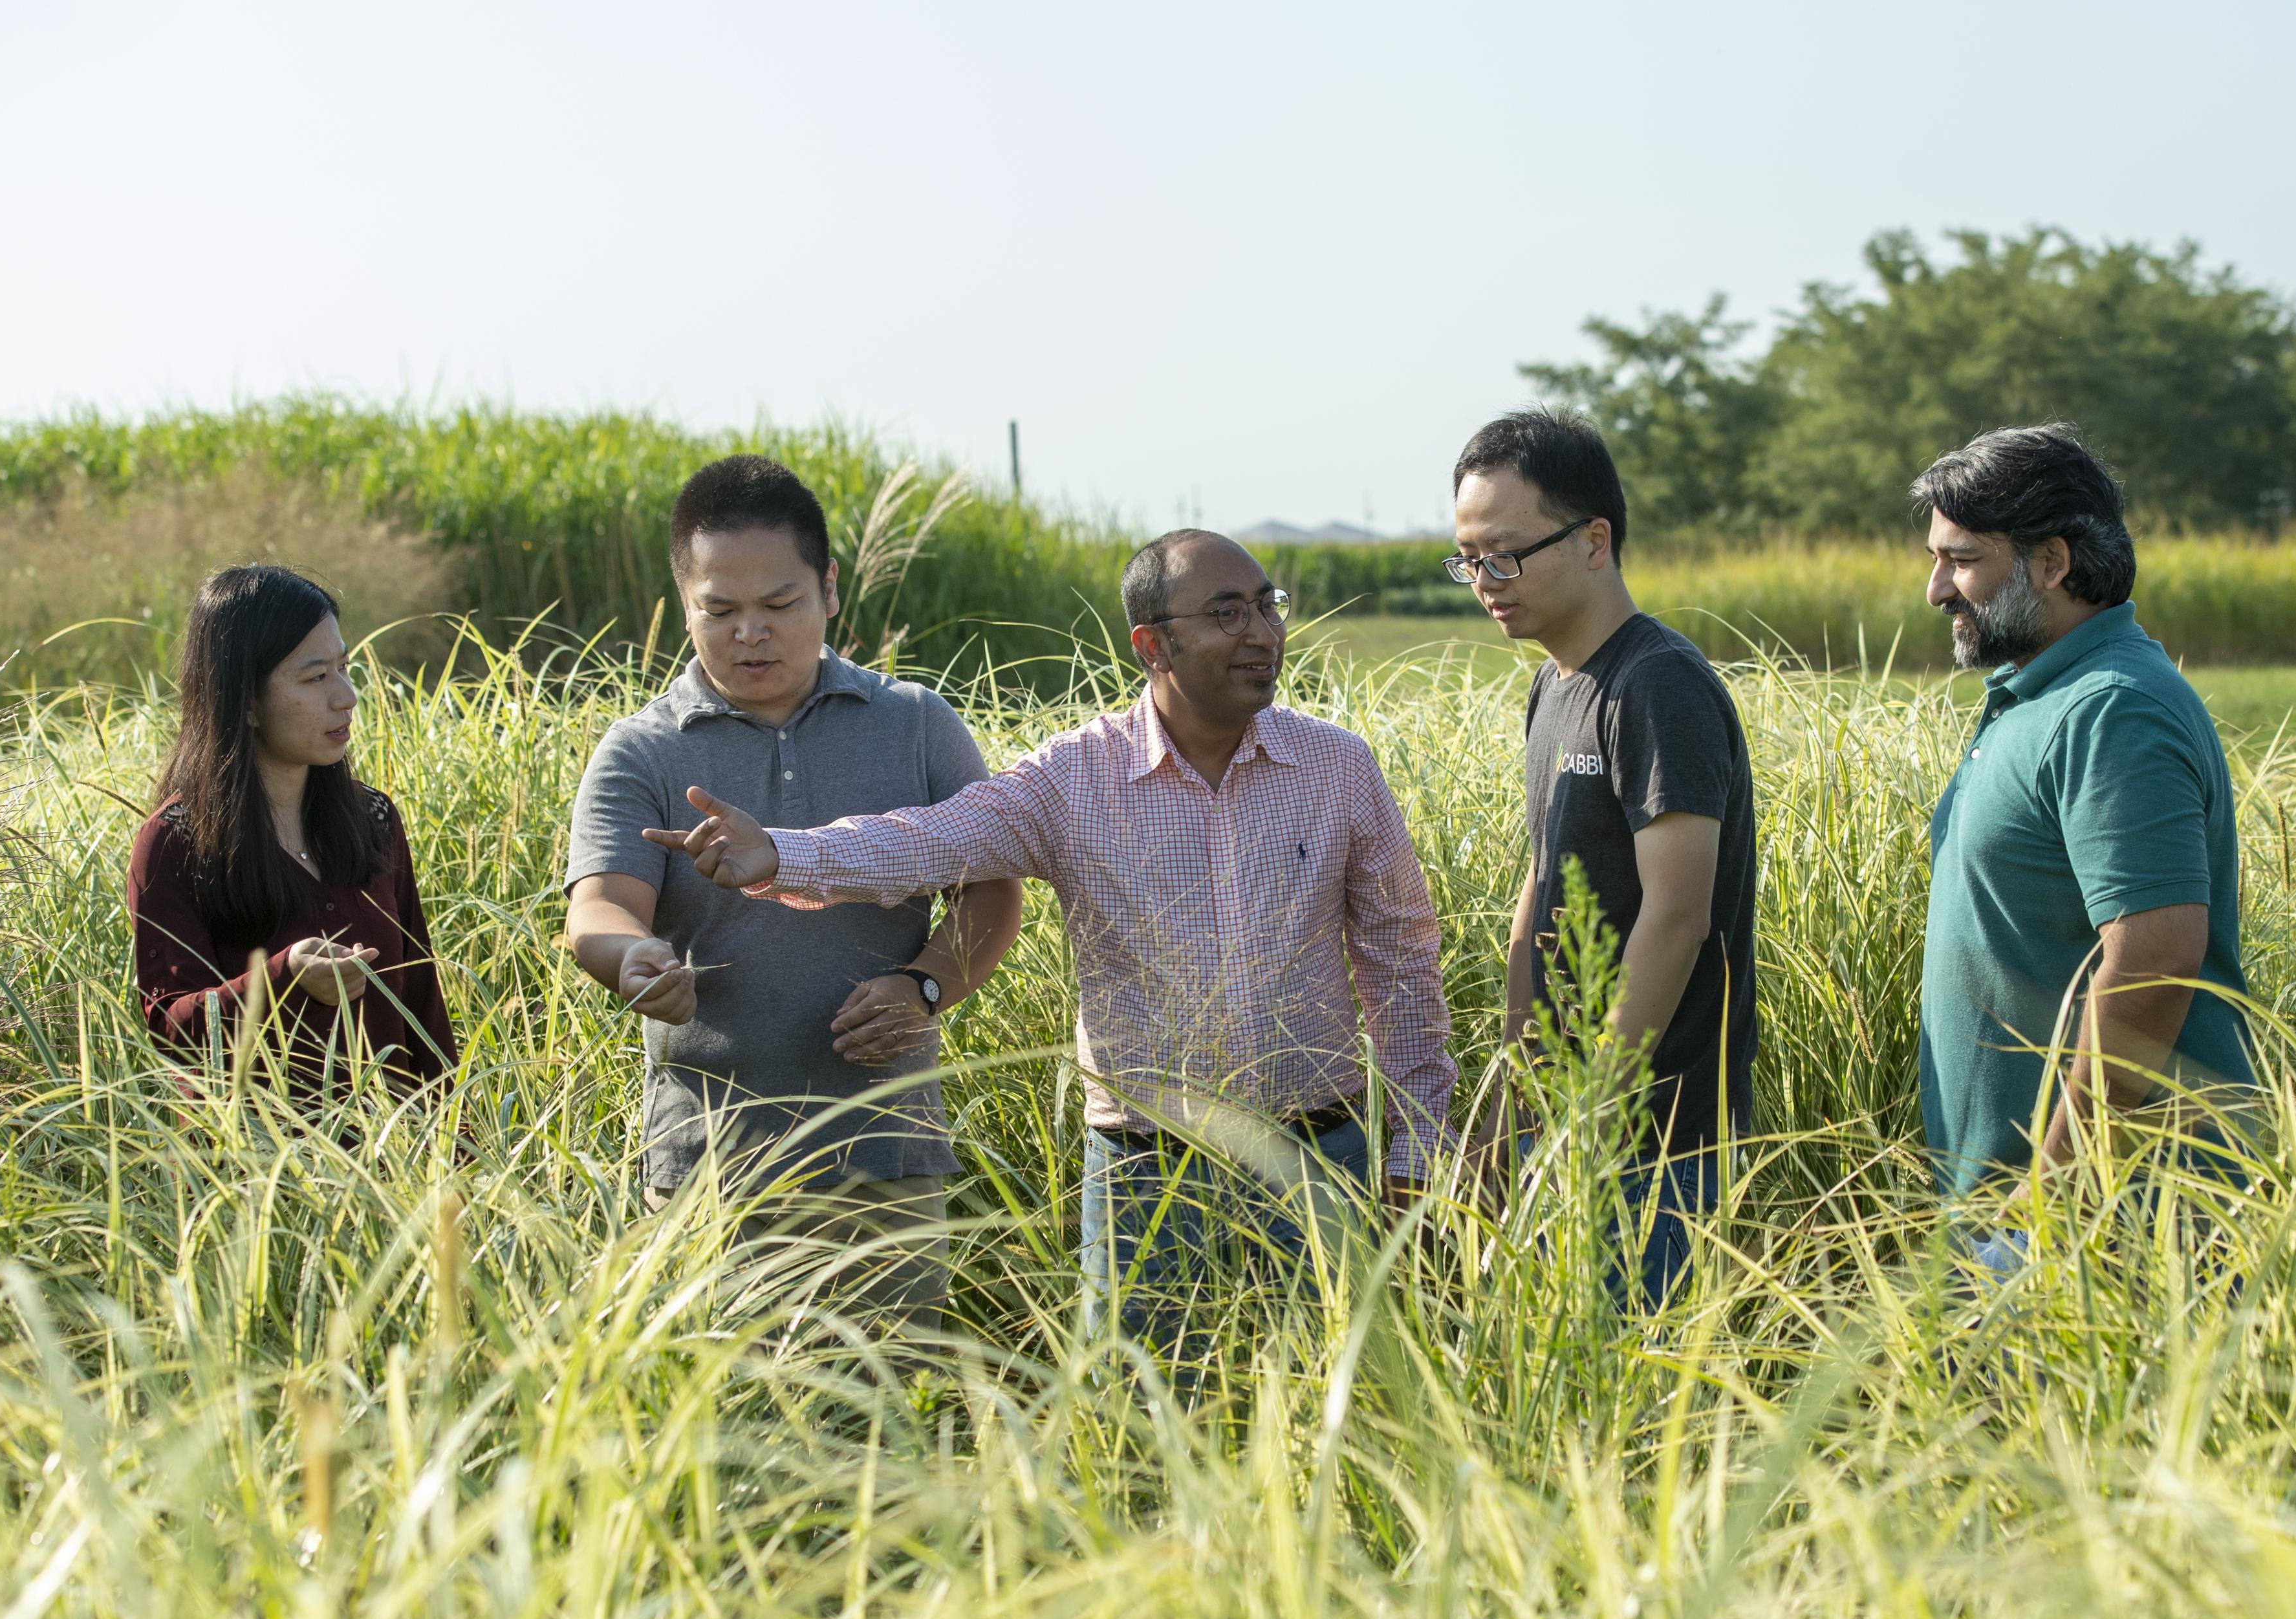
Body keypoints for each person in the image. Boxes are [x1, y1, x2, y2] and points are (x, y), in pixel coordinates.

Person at [645, 528, 1455, 1361]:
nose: (1260, 632)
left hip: (1319, 1158)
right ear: (1152, 644)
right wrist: (779, 854)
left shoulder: (1337, 769)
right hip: (1149, 1179)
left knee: (1339, 1407)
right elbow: (928, 842)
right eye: (1225, 613)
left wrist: (1419, 1146)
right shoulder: (1074, 778)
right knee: (1145, 1429)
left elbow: (1401, 961)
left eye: (1265, 606)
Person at [561, 455, 1024, 1318]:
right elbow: (601, 904)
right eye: (719, 610)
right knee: (724, 1433)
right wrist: (632, 958)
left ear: (830, 589)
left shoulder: (916, 725)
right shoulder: (642, 750)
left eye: (779, 605)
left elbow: (990, 890)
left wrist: (925, 985)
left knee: (894, 1419)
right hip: (708, 1161)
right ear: (683, 599)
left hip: (886, 1156)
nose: (751, 633)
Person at [1450, 411, 1756, 1312]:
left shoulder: (1656, 684)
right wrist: (1508, 1105)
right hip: (1564, 1129)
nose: (1482, 582)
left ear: (1594, 540)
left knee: (1643, 1419)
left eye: (1503, 554)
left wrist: (1591, 1110)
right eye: (1466, 559)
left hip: (1655, 1145)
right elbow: (1539, 890)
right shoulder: (1555, 683)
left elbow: (1676, 914)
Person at [1911, 424, 2253, 1218]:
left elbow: (2155, 956)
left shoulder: (2110, 709)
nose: (1934, 589)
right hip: (2030, 1214)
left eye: (1960, 559)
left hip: (2116, 1224)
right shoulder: (2040, 694)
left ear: (2052, 562)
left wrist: (2052, 1196)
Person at [129, 565, 458, 1097]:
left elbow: (424, 1008)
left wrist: (458, 1153)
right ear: (248, 701)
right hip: (251, 1168)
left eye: (344, 667)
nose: (346, 696)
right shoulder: (175, 842)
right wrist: (282, 981)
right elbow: (173, 1029)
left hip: (392, 1168)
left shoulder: (372, 821)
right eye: (315, 677)